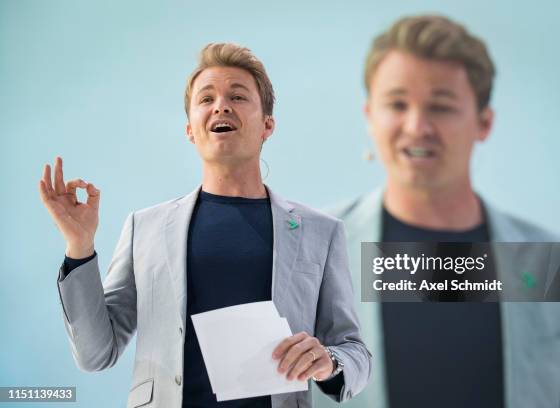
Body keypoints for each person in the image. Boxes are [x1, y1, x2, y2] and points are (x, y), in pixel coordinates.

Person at [39, 43, 371, 408]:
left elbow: (354, 351)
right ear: (190, 130)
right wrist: (79, 246)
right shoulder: (143, 228)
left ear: (267, 126)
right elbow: (94, 354)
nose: (221, 106)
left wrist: (330, 361)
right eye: (206, 98)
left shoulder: (321, 232)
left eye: (238, 96)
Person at [314, 15, 560, 408]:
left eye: (441, 106)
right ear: (370, 115)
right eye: (397, 104)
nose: (417, 126)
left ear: (484, 122)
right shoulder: (310, 253)